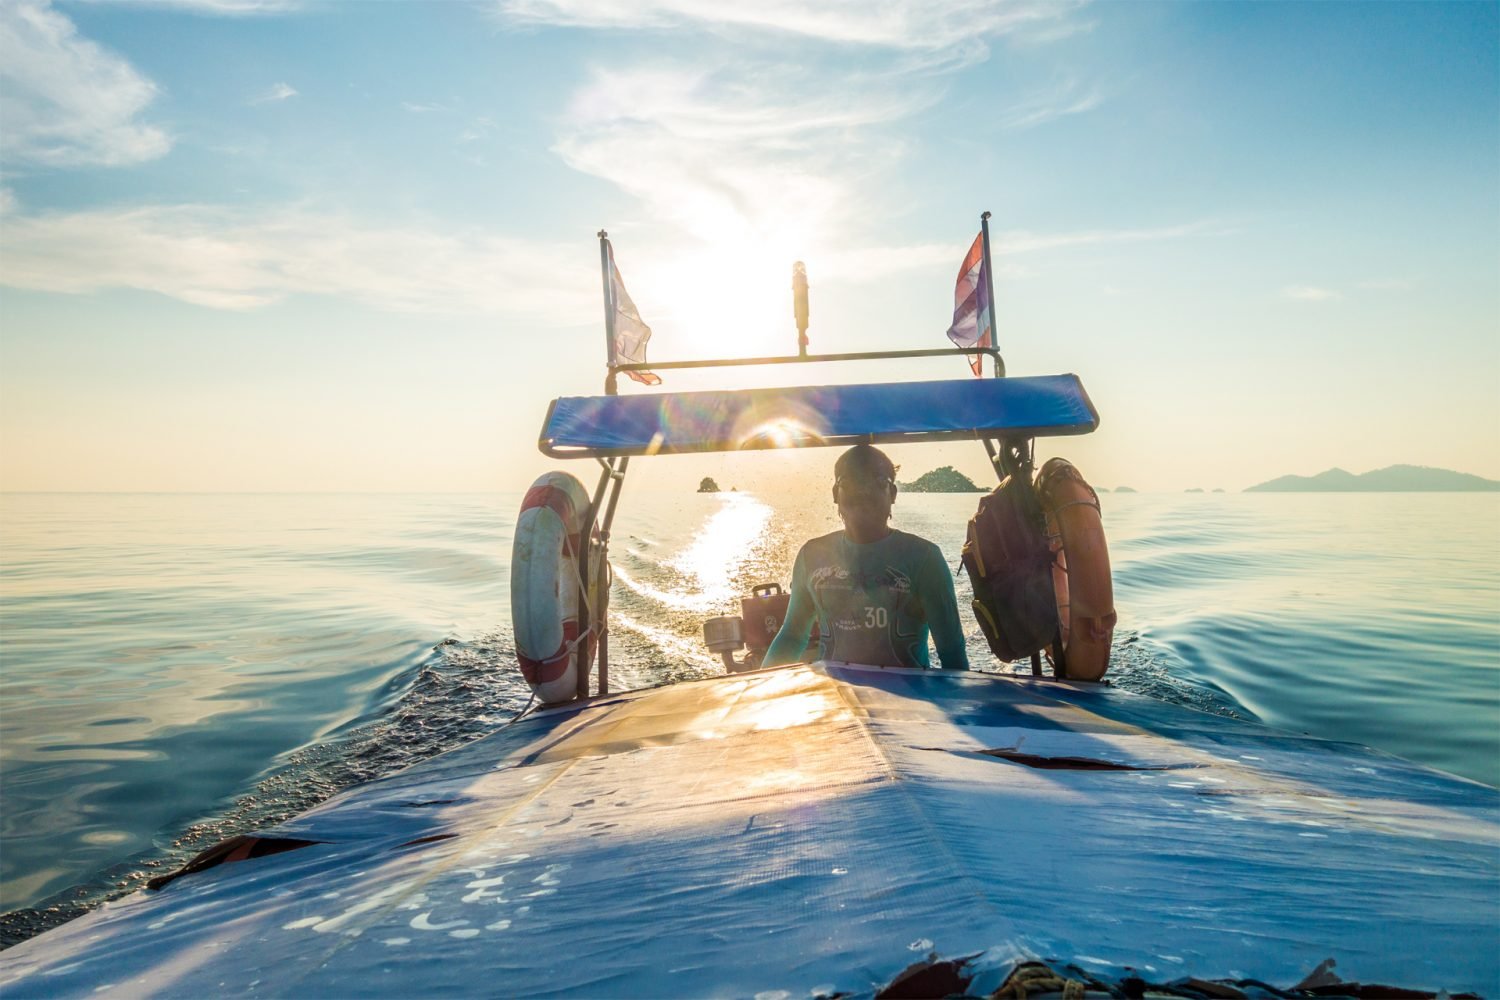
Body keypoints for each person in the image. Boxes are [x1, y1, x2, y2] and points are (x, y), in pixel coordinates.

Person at [763, 444, 970, 670]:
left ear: (892, 494)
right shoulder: (811, 556)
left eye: (878, 482)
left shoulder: (924, 558)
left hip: (908, 702)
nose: (863, 491)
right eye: (849, 482)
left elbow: (951, 651)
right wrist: (759, 694)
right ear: (835, 494)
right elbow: (792, 636)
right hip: (836, 701)